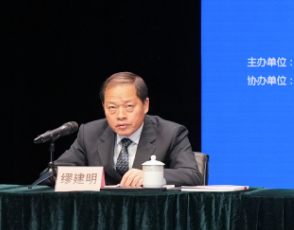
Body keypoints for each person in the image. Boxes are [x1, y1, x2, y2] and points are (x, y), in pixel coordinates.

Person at [55, 72, 203, 187]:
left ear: (145, 105)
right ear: (103, 107)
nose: (120, 115)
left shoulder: (171, 133)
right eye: (112, 108)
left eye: (129, 107)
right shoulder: (89, 133)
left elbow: (192, 175)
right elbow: (53, 173)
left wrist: (152, 176)